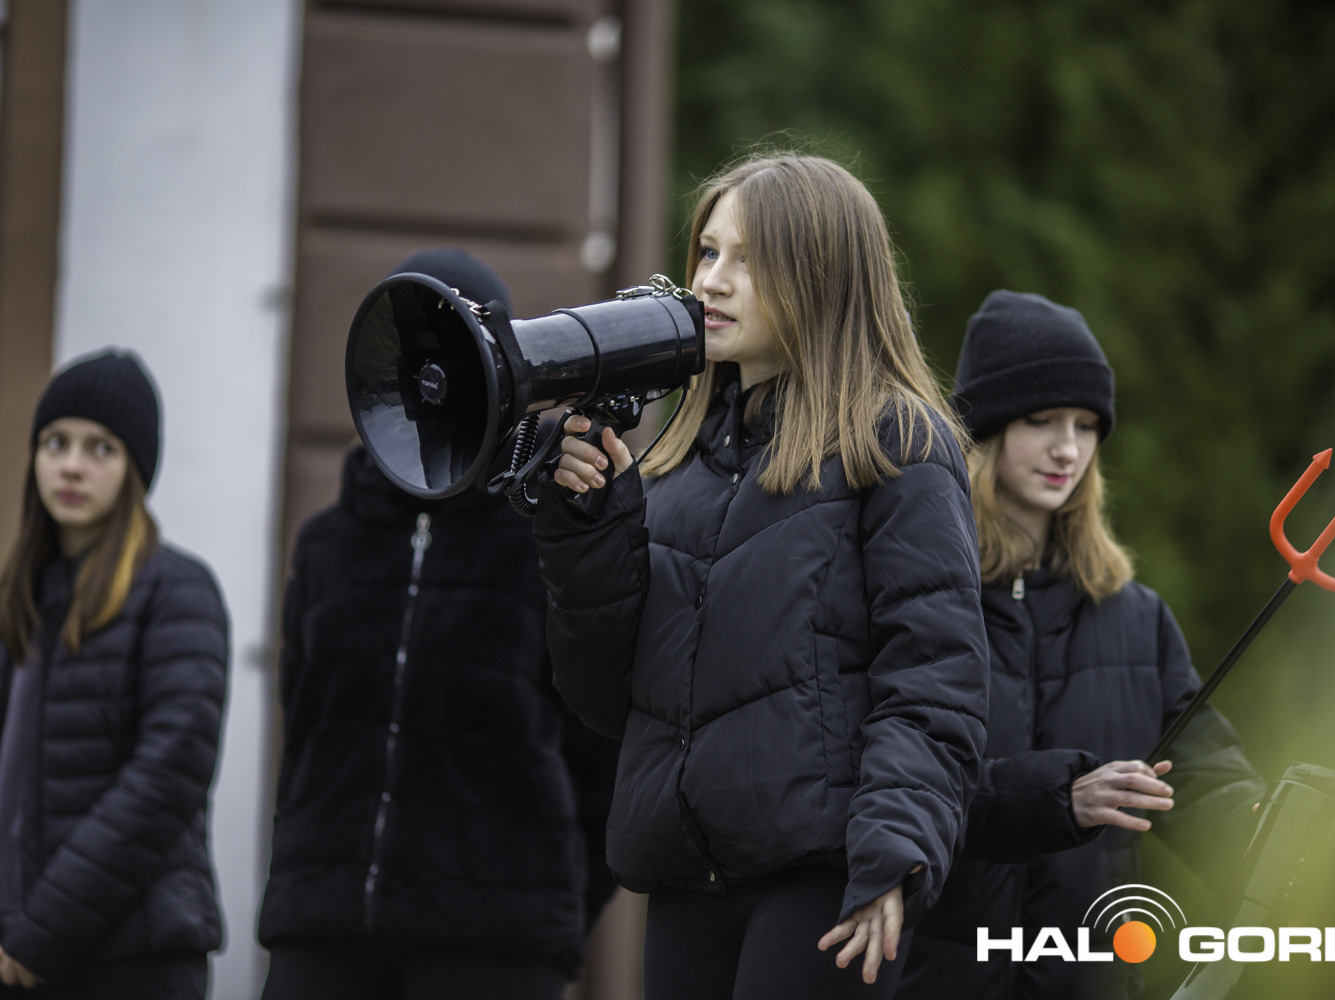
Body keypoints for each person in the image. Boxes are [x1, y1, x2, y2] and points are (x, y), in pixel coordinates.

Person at [534, 152, 989, 1000]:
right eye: (708, 252)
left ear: (823, 275)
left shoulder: (897, 441)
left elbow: (934, 676)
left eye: (748, 259)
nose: (711, 280)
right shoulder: (671, 467)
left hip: (829, 883)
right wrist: (588, 531)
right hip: (685, 883)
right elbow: (606, 701)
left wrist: (894, 851)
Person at [257, 248, 618, 1000]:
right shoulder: (326, 545)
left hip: (497, 940)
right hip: (323, 927)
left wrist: (551, 908)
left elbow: (602, 747)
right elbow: (305, 727)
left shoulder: (548, 543)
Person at [899, 291, 1266, 1000]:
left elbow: (1196, 775)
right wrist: (1052, 798)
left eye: (1086, 425)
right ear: (986, 429)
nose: (1067, 448)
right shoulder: (917, 598)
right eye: (1041, 420)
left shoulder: (1137, 619)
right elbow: (900, 788)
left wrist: (1262, 824)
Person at [0, 351, 228, 998]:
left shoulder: (177, 591)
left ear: (134, 468)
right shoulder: (22, 598)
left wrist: (43, 931)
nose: (72, 465)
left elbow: (166, 776)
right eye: (56, 443)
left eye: (100, 448)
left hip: (132, 959)